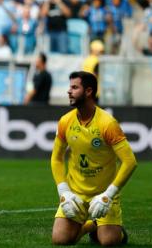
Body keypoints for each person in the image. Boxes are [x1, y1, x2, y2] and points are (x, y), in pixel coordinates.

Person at [50, 71, 137, 246]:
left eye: (74, 87)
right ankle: (90, 226)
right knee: (60, 239)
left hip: (103, 194)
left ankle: (108, 228)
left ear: (88, 92)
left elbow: (130, 162)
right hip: (75, 193)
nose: (69, 91)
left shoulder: (108, 123)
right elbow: (56, 158)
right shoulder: (65, 121)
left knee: (109, 242)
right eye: (70, 87)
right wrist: (64, 192)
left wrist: (109, 195)